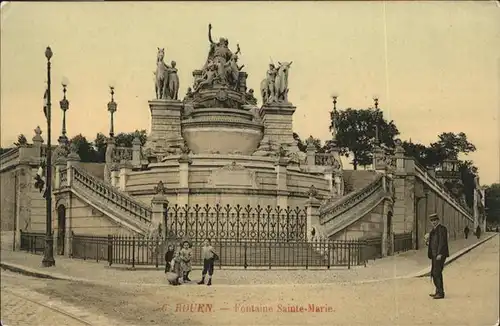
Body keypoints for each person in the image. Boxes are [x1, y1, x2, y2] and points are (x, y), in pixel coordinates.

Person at [427, 213, 449, 299]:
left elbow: (442, 242)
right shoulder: (433, 230)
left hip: (439, 255)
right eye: (432, 221)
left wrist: (440, 253)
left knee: (436, 273)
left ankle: (440, 293)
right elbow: (433, 242)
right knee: (434, 273)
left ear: (438, 220)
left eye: (435, 220)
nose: (433, 222)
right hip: (433, 254)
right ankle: (437, 291)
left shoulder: (442, 229)